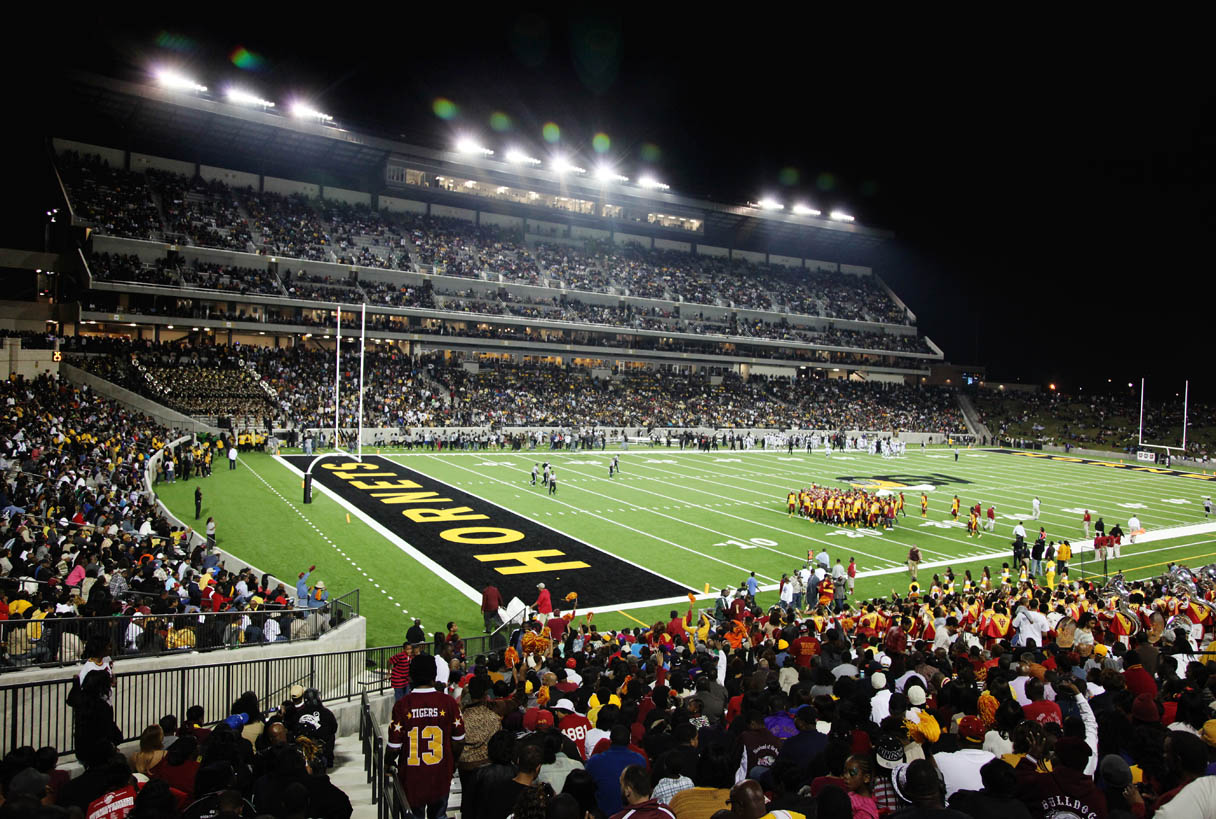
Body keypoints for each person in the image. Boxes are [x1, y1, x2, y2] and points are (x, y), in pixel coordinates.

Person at [388, 653, 465, 819]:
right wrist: (453, 763)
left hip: (412, 776)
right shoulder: (448, 703)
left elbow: (394, 747)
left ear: (410, 676)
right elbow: (459, 740)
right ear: (434, 675)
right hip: (440, 774)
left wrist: (387, 765)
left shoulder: (402, 705)